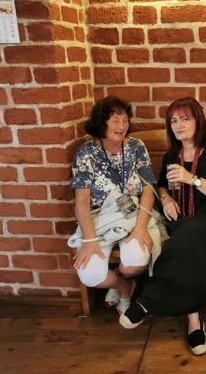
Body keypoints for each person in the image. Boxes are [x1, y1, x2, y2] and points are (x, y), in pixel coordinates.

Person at [119, 97, 206, 356]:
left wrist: (192, 179)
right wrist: (165, 199)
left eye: (185, 119)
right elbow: (163, 185)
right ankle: (194, 319)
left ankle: (147, 301)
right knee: (185, 235)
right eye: (173, 121)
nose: (178, 125)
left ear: (198, 121)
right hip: (185, 218)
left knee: (188, 234)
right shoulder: (171, 156)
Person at [69, 96, 166, 315]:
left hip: (134, 213)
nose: (121, 126)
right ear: (101, 123)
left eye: (125, 120)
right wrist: (89, 240)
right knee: (90, 275)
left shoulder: (136, 147)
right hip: (100, 217)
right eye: (115, 120)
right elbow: (81, 201)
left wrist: (141, 227)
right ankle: (125, 287)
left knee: (135, 262)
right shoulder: (86, 153)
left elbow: (148, 188)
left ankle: (122, 279)